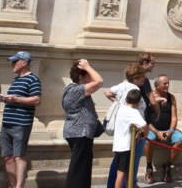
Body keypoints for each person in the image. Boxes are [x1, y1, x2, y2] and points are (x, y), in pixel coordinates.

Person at [0, 51, 41, 188]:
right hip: (7, 123)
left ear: (24, 62)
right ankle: (12, 185)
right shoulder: (16, 80)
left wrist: (16, 99)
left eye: (15, 61)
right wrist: (4, 99)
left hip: (21, 124)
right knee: (7, 157)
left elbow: (36, 99)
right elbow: (15, 100)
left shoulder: (33, 79)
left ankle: (19, 186)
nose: (12, 64)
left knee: (19, 156)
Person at [61, 59, 103, 188]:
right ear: (81, 76)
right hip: (80, 133)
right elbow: (99, 81)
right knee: (79, 169)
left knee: (82, 167)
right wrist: (87, 66)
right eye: (87, 74)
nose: (91, 76)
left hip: (80, 133)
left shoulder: (74, 90)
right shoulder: (76, 90)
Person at [107, 63, 150, 188]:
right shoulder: (135, 93)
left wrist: (116, 103)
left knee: (117, 165)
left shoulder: (122, 87)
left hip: (119, 140)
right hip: (132, 136)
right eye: (142, 77)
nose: (144, 79)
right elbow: (143, 123)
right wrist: (144, 134)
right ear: (136, 77)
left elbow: (107, 92)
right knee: (129, 166)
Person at [145, 75, 182, 183]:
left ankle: (167, 166)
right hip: (153, 130)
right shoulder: (150, 97)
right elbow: (146, 120)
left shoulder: (171, 97)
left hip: (168, 130)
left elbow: (174, 117)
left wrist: (170, 131)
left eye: (168, 83)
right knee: (148, 140)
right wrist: (157, 132)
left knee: (180, 139)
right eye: (164, 84)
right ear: (157, 85)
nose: (167, 85)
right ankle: (149, 167)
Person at [113, 89, 149, 188]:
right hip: (125, 147)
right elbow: (144, 125)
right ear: (138, 102)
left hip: (117, 145)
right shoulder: (133, 112)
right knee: (121, 173)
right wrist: (144, 134)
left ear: (126, 99)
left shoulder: (121, 109)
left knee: (125, 171)